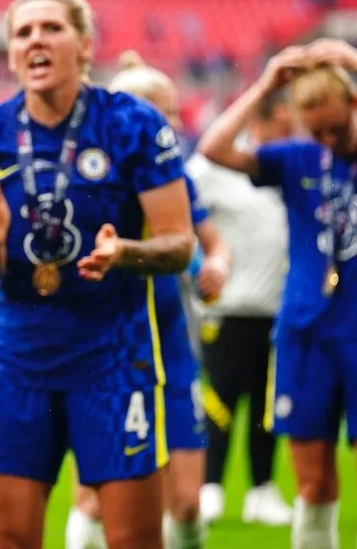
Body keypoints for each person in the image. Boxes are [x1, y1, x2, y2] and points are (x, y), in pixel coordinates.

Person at [0, 0, 194, 549]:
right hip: (21, 357)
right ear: (11, 52)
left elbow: (179, 243)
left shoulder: (133, 125)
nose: (36, 41)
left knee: (134, 540)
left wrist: (127, 253)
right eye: (23, 32)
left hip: (114, 356)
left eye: (52, 28)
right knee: (11, 538)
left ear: (84, 45)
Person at [65, 51, 232, 549]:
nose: (177, 125)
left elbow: (210, 240)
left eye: (178, 113)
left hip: (171, 352)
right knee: (94, 497)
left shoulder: (172, 182)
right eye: (166, 113)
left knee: (186, 503)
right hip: (106, 351)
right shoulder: (88, 184)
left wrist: (218, 262)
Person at [197, 38, 357, 549]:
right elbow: (214, 148)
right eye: (319, 130)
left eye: (339, 126)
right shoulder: (298, 158)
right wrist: (267, 82)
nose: (330, 138)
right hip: (306, 330)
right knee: (312, 482)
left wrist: (353, 64)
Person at [187, 89, 294, 527]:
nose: (289, 137)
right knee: (221, 397)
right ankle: (209, 485)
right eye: (283, 128)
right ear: (261, 124)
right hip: (229, 307)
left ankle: (261, 489)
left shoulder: (283, 171)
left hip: (279, 309)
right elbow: (184, 195)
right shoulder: (220, 169)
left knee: (267, 404)